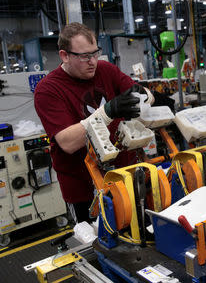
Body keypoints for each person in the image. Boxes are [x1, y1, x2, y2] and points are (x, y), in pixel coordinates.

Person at [34, 22, 154, 223]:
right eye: (84, 56)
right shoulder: (48, 89)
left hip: (125, 175)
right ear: (64, 55)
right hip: (85, 189)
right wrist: (107, 112)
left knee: (140, 231)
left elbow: (146, 95)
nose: (93, 62)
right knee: (98, 244)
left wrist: (144, 98)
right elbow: (68, 142)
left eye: (95, 53)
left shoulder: (105, 69)